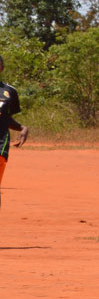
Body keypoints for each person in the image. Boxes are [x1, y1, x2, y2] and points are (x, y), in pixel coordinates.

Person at [0, 55, 31, 211]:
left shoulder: (9, 92)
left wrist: (22, 128)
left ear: (2, 68)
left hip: (1, 142)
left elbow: (6, 118)